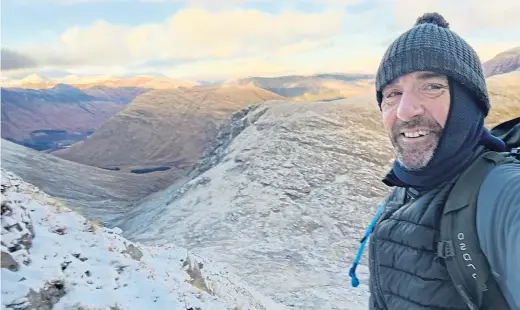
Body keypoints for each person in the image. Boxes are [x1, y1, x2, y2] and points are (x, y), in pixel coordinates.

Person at [348, 12, 520, 310]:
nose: (405, 110)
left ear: (469, 103)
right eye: (393, 93)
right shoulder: (403, 190)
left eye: (431, 87)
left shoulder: (505, 193)